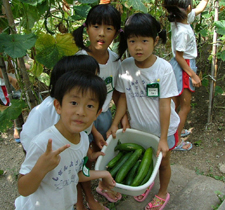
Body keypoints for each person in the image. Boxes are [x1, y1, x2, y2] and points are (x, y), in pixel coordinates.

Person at [106, 13, 180, 210]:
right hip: (139, 128)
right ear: (127, 41)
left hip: (163, 130)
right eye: (132, 41)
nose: (138, 47)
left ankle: (162, 192)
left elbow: (165, 105)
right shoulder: (125, 66)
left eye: (144, 41)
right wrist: (115, 123)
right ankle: (146, 184)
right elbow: (123, 98)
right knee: (144, 159)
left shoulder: (163, 69)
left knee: (163, 163)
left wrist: (163, 138)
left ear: (155, 41)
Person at [15, 70, 115, 210]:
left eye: (90, 106)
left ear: (98, 113)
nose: (81, 112)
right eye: (74, 102)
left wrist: (103, 173)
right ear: (58, 106)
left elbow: (74, 175)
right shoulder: (44, 143)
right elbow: (23, 189)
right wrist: (40, 169)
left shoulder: (84, 140)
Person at [72, 3, 128, 205]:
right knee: (80, 160)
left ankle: (101, 186)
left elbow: (117, 94)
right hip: (80, 120)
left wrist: (122, 120)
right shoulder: (80, 62)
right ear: (87, 28)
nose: (102, 33)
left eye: (109, 28)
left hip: (103, 116)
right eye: (96, 26)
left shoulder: (115, 60)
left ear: (117, 33)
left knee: (100, 154)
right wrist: (92, 130)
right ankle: (85, 200)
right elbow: (78, 106)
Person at [163, 0, 208, 151]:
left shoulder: (179, 20)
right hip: (184, 66)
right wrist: (194, 76)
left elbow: (200, 8)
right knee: (185, 107)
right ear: (187, 8)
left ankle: (173, 130)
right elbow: (179, 57)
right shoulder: (183, 31)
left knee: (174, 104)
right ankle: (175, 141)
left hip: (180, 66)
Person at [0, 57, 21, 143]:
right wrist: (11, 80)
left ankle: (19, 125)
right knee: (12, 105)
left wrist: (31, 67)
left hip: (16, 79)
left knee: (19, 102)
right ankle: (16, 128)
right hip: (5, 83)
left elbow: (17, 61)